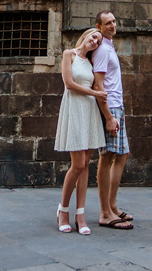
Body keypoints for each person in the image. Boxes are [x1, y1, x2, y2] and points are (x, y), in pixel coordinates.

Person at [55, 28, 108, 235]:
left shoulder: (92, 63)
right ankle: (63, 211)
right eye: (94, 37)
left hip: (89, 112)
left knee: (85, 164)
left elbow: (98, 82)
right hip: (74, 108)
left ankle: (80, 215)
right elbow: (69, 84)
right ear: (86, 36)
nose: (95, 41)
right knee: (77, 164)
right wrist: (95, 93)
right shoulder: (69, 54)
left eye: (98, 41)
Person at [92, 11, 133, 230]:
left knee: (122, 153)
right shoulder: (101, 50)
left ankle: (113, 205)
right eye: (108, 23)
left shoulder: (109, 46)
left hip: (118, 105)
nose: (113, 25)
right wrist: (108, 116)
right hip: (111, 107)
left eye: (114, 21)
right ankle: (105, 212)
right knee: (107, 156)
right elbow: (98, 86)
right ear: (98, 26)